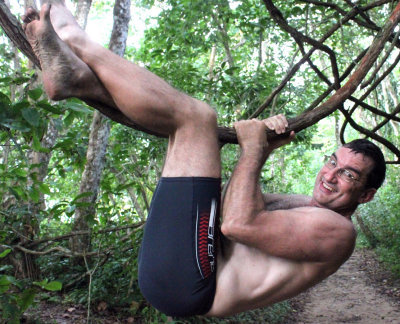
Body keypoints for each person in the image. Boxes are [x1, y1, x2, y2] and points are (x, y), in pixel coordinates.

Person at [21, 1, 386, 318]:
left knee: (196, 119)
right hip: (188, 269)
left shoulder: (338, 231)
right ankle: (77, 77)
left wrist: (253, 150)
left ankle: (76, 39)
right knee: (189, 128)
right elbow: (225, 202)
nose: (331, 175)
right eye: (332, 162)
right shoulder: (305, 206)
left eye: (350, 176)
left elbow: (237, 225)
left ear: (366, 195)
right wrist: (264, 152)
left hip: (192, 282)